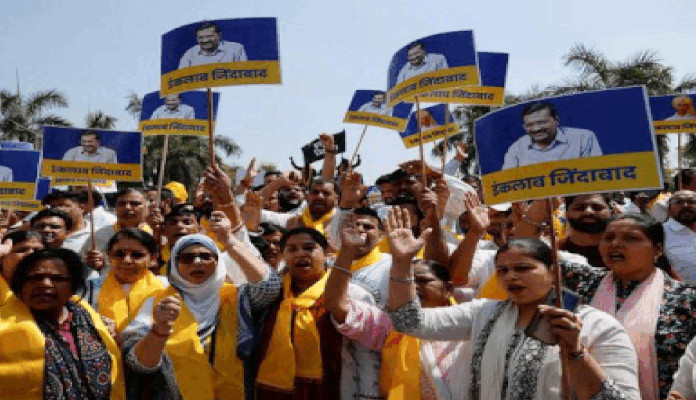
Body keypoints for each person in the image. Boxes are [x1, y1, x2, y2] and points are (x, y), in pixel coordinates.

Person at [386, 212, 641, 400]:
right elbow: (407, 322)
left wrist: (576, 352)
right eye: (502, 271)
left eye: (523, 268)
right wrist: (401, 263)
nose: (511, 277)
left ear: (553, 272)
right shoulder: (483, 313)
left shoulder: (599, 326)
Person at [325, 212, 470, 399]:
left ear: (448, 289)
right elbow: (337, 305)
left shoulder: (469, 323)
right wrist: (346, 251)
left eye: (422, 280)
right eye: (409, 281)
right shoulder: (391, 325)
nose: (413, 287)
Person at [120, 230, 279, 400]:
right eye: (187, 258)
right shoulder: (158, 302)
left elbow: (269, 287)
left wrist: (229, 242)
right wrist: (159, 330)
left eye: (205, 256)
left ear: (218, 261)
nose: (197, 262)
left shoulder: (237, 298)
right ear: (174, 263)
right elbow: (138, 364)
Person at [561, 213, 696, 399]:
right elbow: (531, 254)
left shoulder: (687, 299)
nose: (616, 244)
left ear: (657, 249)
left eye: (631, 238)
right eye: (609, 238)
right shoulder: (583, 282)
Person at [2, 249, 125, 399]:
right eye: (35, 278)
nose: (45, 284)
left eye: (57, 278)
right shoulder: (4, 327)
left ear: (73, 286)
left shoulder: (89, 318)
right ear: (20, 285)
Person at [255, 227, 343, 399]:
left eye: (309, 248)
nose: (300, 254)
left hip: (329, 384)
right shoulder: (272, 293)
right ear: (283, 255)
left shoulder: (343, 291)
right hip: (275, 389)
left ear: (326, 252)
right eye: (292, 249)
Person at [91, 228, 165, 335]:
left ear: (153, 258)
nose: (127, 260)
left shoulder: (166, 288)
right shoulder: (89, 289)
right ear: (109, 256)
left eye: (137, 255)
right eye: (119, 254)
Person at [502, 102, 603, 170]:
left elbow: (597, 174)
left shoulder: (583, 138)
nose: (536, 129)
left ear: (556, 120)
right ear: (524, 127)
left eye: (542, 122)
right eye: (530, 125)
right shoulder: (516, 148)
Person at [559, 194, 614, 269]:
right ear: (566, 213)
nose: (588, 212)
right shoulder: (555, 253)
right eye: (579, 208)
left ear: (611, 212)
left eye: (597, 207)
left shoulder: (623, 252)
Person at [178, 21, 247, 69]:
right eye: (201, 38)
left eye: (209, 36)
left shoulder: (236, 48)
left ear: (219, 35)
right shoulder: (190, 53)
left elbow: (243, 74)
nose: (205, 40)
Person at [662, 190, 696, 282]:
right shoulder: (660, 232)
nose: (685, 205)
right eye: (679, 202)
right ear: (669, 209)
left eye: (692, 201)